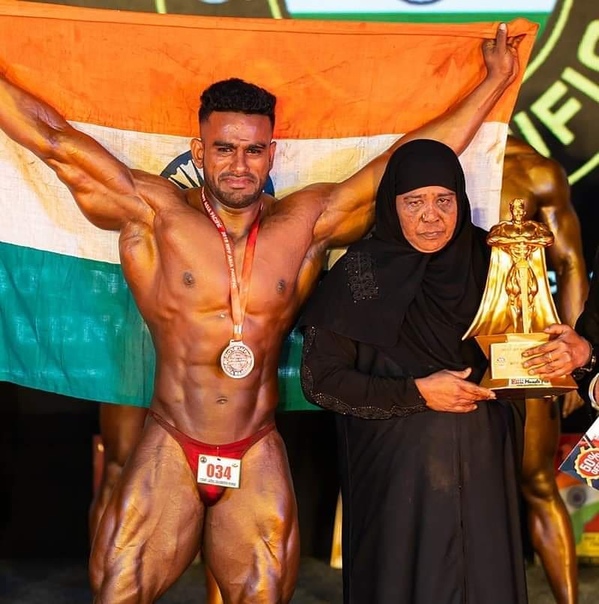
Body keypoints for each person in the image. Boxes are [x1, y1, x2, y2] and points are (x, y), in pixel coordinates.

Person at [0, 24, 521, 602]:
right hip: (173, 437)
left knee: (263, 595)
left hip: (254, 444)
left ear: (272, 152)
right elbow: (54, 141)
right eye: (224, 148)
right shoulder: (154, 214)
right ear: (199, 150)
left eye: (254, 150)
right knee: (120, 590)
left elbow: (401, 164)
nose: (239, 164)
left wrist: (492, 85)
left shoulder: (304, 225)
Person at [300, 139, 527, 603]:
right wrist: (418, 393)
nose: (431, 216)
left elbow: (524, 359)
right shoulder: (359, 274)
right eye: (415, 202)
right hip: (396, 482)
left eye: (444, 200)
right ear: (392, 204)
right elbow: (320, 381)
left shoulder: (494, 264)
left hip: (482, 473)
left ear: (461, 201)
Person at [501, 135, 588, 604]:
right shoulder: (418, 158)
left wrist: (576, 361)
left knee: (536, 482)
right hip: (440, 344)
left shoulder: (532, 170)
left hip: (525, 342)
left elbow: (571, 263)